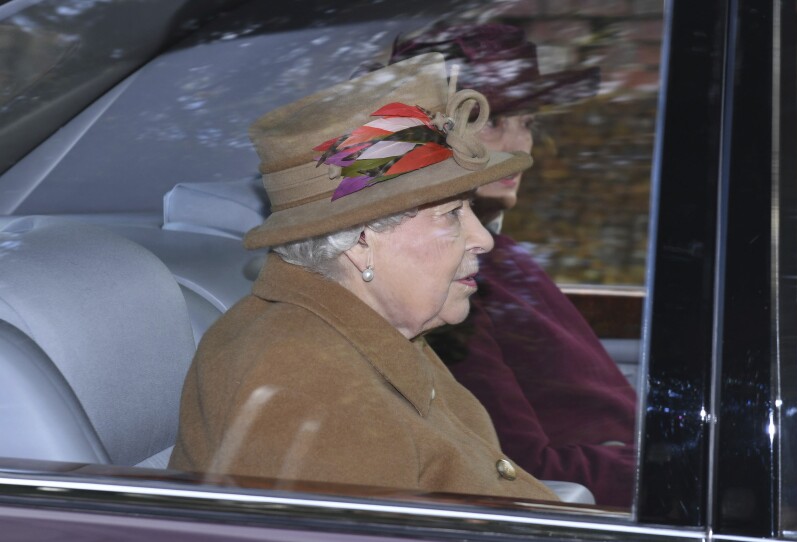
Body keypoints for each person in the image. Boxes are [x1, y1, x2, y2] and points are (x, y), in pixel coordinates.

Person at [169, 53, 559, 501]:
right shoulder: (307, 388)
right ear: (360, 242)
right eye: (452, 213)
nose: (482, 239)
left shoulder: (377, 329)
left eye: (469, 208)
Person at [388, 24, 638, 507]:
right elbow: (520, 466)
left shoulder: (504, 253)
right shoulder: (446, 279)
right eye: (494, 121)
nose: (520, 147)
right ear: (429, 134)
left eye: (527, 122)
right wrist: (677, 471)